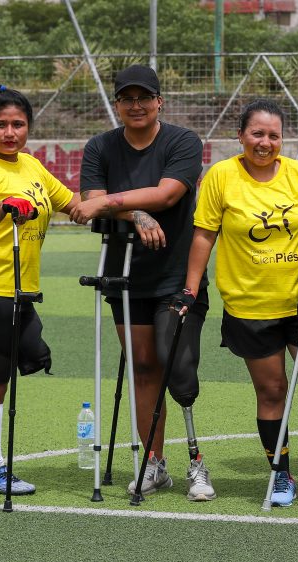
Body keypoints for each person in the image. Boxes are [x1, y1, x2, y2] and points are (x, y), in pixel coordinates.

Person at [70, 65, 212, 501]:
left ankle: (197, 463)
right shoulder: (100, 147)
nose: (136, 105)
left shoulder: (183, 142)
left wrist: (114, 204)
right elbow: (91, 202)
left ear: (159, 102)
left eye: (144, 97)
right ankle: (155, 461)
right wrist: (136, 213)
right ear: (117, 104)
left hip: (176, 275)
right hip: (125, 275)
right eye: (127, 99)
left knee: (176, 368)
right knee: (145, 368)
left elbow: (167, 193)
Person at [183, 99, 298, 507]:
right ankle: (281, 473)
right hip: (250, 306)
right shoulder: (221, 175)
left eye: (273, 135)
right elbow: (204, 235)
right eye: (257, 134)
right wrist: (190, 288)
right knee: (272, 390)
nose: (265, 142)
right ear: (241, 135)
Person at [0, 83, 79, 496]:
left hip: (19, 293)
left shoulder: (32, 166)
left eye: (18, 124)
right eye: (1, 125)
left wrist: (128, 210)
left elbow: (72, 202)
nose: (10, 133)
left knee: (15, 367)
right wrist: (3, 207)